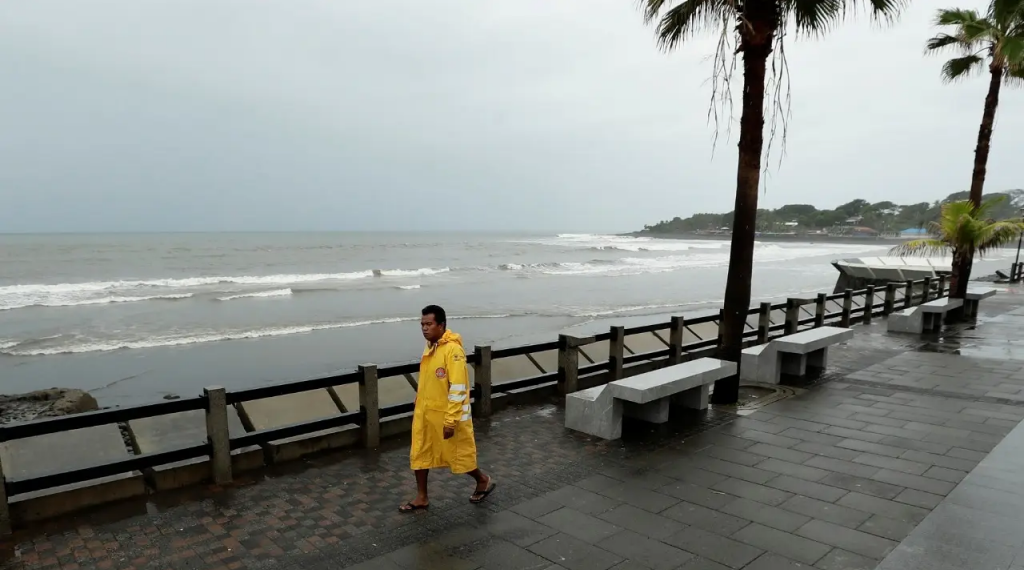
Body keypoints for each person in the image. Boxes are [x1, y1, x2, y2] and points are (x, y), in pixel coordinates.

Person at [399, 305, 495, 512]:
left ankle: (482, 479)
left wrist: (451, 420)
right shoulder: (430, 347)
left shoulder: (453, 351)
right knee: (420, 453)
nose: (424, 328)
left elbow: (459, 388)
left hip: (446, 415)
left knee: (457, 455)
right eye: (422, 324)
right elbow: (428, 380)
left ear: (441, 325)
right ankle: (421, 497)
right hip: (425, 413)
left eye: (429, 324)